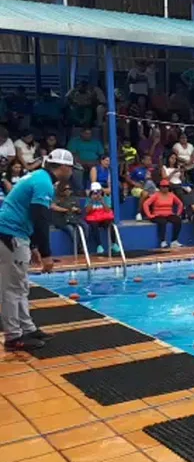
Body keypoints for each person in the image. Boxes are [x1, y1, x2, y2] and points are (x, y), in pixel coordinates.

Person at [0, 149, 74, 350]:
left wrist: (32, 246)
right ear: (63, 167)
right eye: (71, 168)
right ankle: (13, 337)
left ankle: (27, 328)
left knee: (21, 285)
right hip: (9, 234)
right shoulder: (43, 183)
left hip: (16, 233)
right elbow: (40, 219)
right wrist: (46, 254)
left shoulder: (39, 177)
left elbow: (31, 216)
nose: (71, 173)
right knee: (11, 288)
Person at [143, 179, 185, 248]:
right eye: (163, 186)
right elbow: (146, 204)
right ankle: (163, 241)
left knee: (178, 220)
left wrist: (178, 213)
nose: (165, 188)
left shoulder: (171, 195)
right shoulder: (156, 195)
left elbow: (180, 204)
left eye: (167, 186)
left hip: (169, 214)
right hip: (157, 214)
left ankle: (174, 241)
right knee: (162, 222)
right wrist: (149, 215)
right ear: (160, 187)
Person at [50, 184, 85, 258]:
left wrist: (77, 210)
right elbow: (53, 206)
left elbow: (80, 211)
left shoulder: (74, 198)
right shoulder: (57, 198)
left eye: (69, 189)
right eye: (65, 189)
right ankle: (78, 247)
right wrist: (66, 210)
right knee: (71, 229)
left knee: (85, 226)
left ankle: (82, 245)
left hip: (74, 218)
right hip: (63, 220)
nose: (67, 191)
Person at [84, 182, 119, 254]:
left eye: (98, 192)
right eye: (95, 192)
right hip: (94, 219)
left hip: (103, 218)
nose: (97, 194)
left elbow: (108, 210)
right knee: (94, 225)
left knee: (111, 224)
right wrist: (92, 201)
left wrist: (102, 202)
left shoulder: (106, 197)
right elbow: (87, 211)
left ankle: (114, 244)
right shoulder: (89, 199)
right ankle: (99, 245)